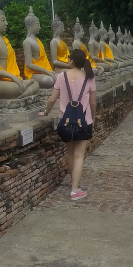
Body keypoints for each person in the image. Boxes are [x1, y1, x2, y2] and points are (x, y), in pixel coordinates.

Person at [39, 48, 97, 202]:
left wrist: (45, 112)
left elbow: (52, 99)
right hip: (84, 121)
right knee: (79, 156)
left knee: (70, 154)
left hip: (65, 121)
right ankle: (74, 190)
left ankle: (74, 183)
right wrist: (93, 117)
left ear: (71, 61)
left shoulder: (61, 76)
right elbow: (93, 102)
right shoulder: (89, 78)